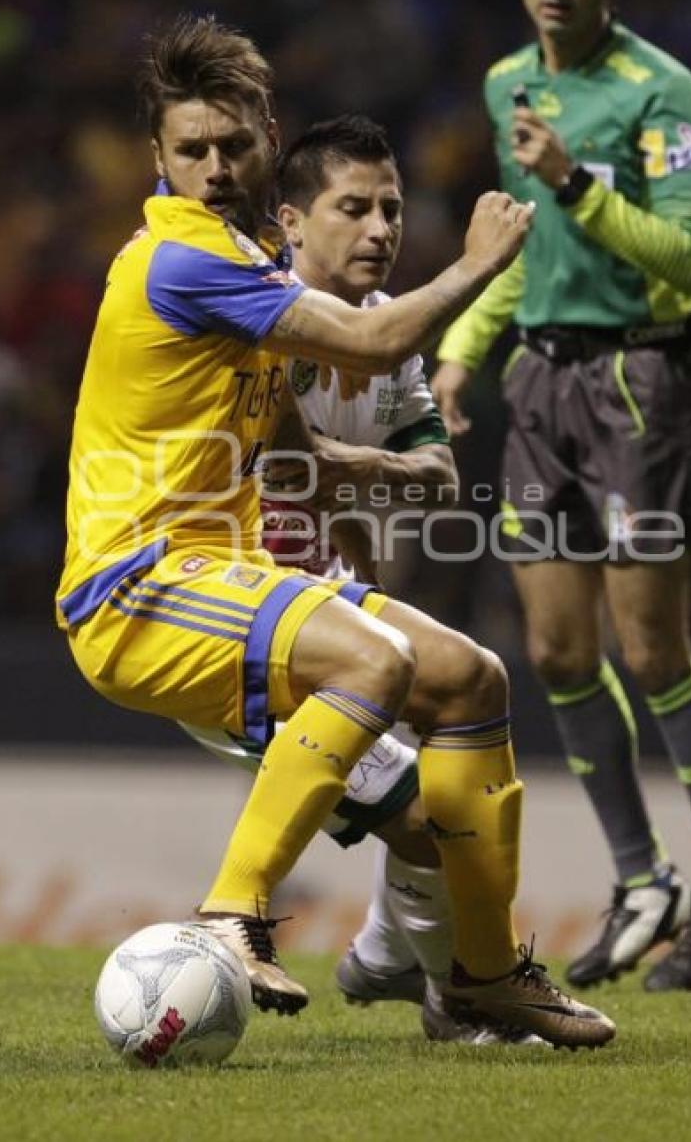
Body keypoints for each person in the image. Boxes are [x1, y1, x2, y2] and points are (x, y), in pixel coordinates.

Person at [55, 14, 614, 1048]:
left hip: (225, 571)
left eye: (233, 145)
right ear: (159, 159)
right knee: (378, 660)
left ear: (267, 134)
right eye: (193, 151)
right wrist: (478, 261)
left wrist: (347, 527)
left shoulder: (254, 259)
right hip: (135, 584)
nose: (216, 168)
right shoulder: (180, 261)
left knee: (470, 677)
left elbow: (293, 446)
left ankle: (482, 979)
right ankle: (232, 914)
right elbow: (372, 333)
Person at [432, 0, 691, 992]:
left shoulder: (662, 97)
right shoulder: (506, 85)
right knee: (556, 653)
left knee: (651, 648)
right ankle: (642, 880)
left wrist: (575, 179)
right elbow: (522, 244)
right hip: (542, 382)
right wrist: (462, 350)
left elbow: (685, 258)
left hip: (642, 382)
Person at [185, 112, 535, 1046]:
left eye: (392, 208)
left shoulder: (393, 332)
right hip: (231, 620)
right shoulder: (245, 313)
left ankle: (392, 949)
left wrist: (348, 466)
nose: (382, 228)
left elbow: (439, 473)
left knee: (469, 720)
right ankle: (448, 998)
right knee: (427, 821)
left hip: (333, 613)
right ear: (292, 221)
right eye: (354, 208)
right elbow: (283, 467)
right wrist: (346, 471)